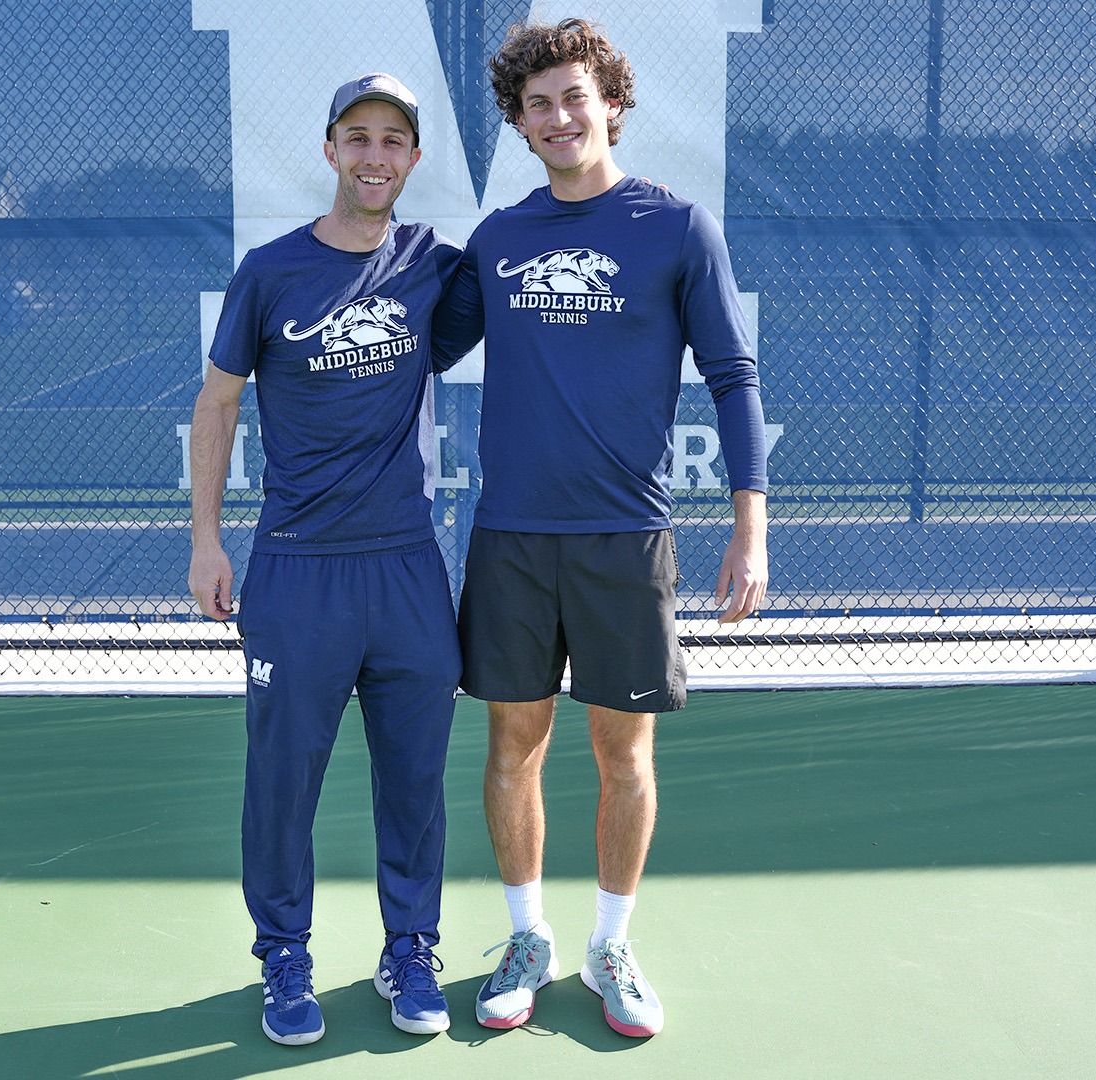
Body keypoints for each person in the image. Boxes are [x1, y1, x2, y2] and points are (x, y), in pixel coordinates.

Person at [432, 18, 770, 1038]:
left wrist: (749, 531)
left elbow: (734, 378)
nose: (560, 116)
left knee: (625, 758)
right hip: (514, 540)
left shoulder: (676, 227)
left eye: (575, 96)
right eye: (538, 105)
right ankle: (526, 937)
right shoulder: (499, 240)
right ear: (520, 124)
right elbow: (416, 347)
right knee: (512, 747)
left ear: (610, 102)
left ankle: (609, 946)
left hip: (628, 540)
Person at [188, 72, 465, 1046]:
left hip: (405, 568)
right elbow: (217, 403)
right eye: (358, 137)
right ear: (330, 150)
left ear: (414, 158)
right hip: (298, 569)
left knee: (416, 778)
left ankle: (411, 949)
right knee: (282, 782)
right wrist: (207, 541)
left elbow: (533, 305)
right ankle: (285, 957)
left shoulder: (437, 265)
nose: (376, 155)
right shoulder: (269, 272)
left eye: (394, 139)